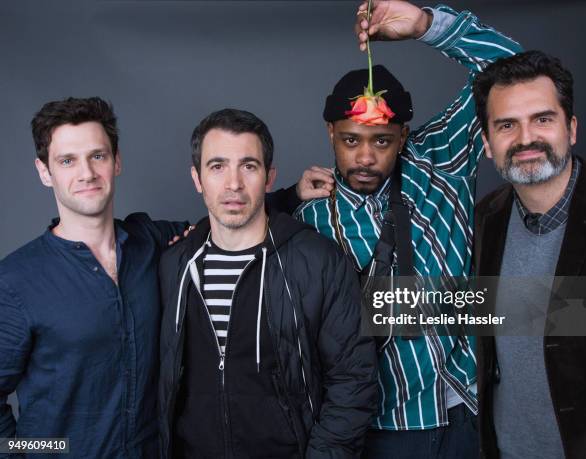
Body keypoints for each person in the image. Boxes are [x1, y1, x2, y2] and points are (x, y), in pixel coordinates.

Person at [273, 1, 522, 457]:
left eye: (382, 141)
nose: (365, 157)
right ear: (330, 132)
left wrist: (426, 25)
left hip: (470, 407)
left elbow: (515, 74)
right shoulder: (308, 219)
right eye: (351, 140)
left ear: (403, 137)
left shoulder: (439, 162)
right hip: (381, 429)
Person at [157, 108, 378, 459]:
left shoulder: (317, 260)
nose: (233, 184)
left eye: (249, 166)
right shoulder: (174, 267)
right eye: (217, 167)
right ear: (197, 179)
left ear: (269, 177)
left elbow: (354, 380)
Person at [0, 97, 187, 458]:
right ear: (44, 171)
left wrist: (289, 197)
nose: (86, 173)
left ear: (116, 162)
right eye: (67, 161)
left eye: (97, 156)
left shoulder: (149, 240)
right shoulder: (15, 281)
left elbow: (223, 222)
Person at [472, 51, 586, 459]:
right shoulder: (486, 219)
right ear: (487, 142)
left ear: (571, 129)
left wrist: (428, 23)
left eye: (543, 119)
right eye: (506, 125)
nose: (525, 138)